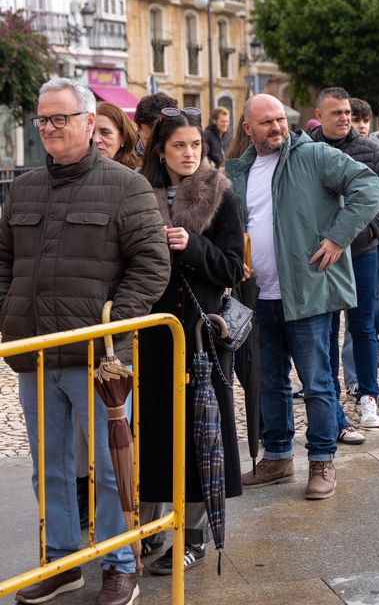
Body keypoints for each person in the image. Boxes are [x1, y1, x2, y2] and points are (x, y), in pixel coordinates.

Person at [0, 79, 169, 605]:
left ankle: (118, 564)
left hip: (99, 360)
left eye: (59, 118)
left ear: (90, 123)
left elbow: (151, 265)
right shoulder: (24, 187)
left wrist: (110, 322)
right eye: (42, 119)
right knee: (51, 468)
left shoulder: (125, 186)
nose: (49, 128)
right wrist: (4, 309)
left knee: (112, 469)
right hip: (36, 355)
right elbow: (0, 257)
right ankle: (62, 560)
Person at [224, 94, 379, 501]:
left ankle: (322, 460)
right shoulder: (239, 171)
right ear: (247, 129)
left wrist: (337, 238)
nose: (275, 127)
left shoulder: (314, 156)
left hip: (307, 293)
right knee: (268, 381)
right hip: (258, 296)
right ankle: (277, 457)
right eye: (266, 122)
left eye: (280, 119)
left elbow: (368, 186)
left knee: (316, 381)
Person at [136, 108, 244, 575]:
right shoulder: (139, 195)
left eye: (196, 146)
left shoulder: (220, 196)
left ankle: (195, 534)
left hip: (202, 335)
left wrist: (191, 245)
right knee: (155, 429)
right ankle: (149, 527)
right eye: (179, 145)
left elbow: (232, 269)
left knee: (203, 433)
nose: (188, 154)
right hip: (153, 333)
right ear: (161, 150)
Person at [308, 88, 379, 436]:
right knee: (326, 329)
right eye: (337, 113)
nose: (345, 118)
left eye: (348, 112)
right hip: (321, 254)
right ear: (320, 115)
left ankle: (367, 395)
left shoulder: (370, 151)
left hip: (362, 253)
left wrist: (371, 230)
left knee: (363, 326)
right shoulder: (306, 150)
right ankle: (330, 399)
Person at [95, 101, 141, 169]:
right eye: (90, 133)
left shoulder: (137, 177)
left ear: (123, 138)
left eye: (105, 133)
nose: (95, 139)